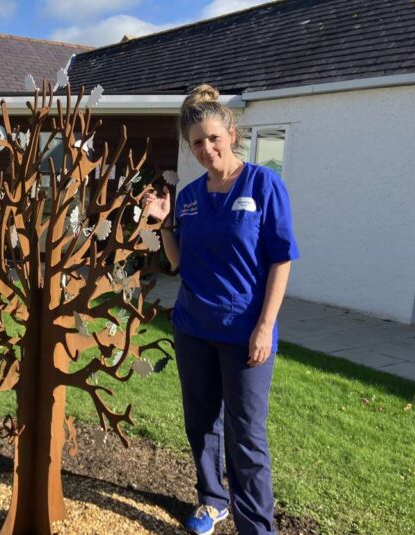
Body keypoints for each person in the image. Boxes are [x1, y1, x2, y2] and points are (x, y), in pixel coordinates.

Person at [143, 84, 299, 535]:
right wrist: (162, 220)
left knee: (246, 436)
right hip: (193, 327)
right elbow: (176, 261)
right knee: (200, 422)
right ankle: (212, 500)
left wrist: (265, 326)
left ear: (232, 133)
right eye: (197, 142)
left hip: (245, 331)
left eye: (213, 137)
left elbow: (281, 260)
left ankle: (256, 526)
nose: (206, 148)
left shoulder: (264, 184)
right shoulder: (190, 195)